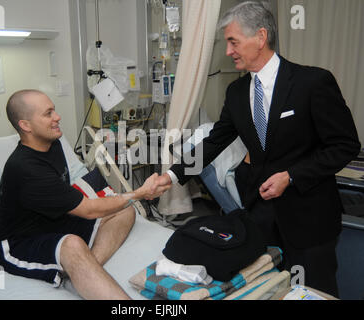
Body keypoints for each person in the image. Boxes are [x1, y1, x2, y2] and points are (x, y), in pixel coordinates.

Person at [154, 1, 361, 297]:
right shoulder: (237, 93)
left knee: (313, 291)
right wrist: (172, 177)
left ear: (260, 37)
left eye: (233, 42)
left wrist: (291, 175)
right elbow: (215, 140)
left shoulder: (312, 83)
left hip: (309, 217)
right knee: (266, 289)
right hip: (261, 216)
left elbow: (345, 145)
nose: (228, 51)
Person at [0, 89, 170, 300]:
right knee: (73, 244)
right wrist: (140, 192)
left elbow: (70, 202)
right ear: (25, 125)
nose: (57, 117)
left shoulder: (53, 144)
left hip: (56, 222)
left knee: (124, 211)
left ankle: (84, 270)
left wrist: (131, 199)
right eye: (48, 113)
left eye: (54, 111)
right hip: (23, 242)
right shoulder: (25, 168)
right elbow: (87, 210)